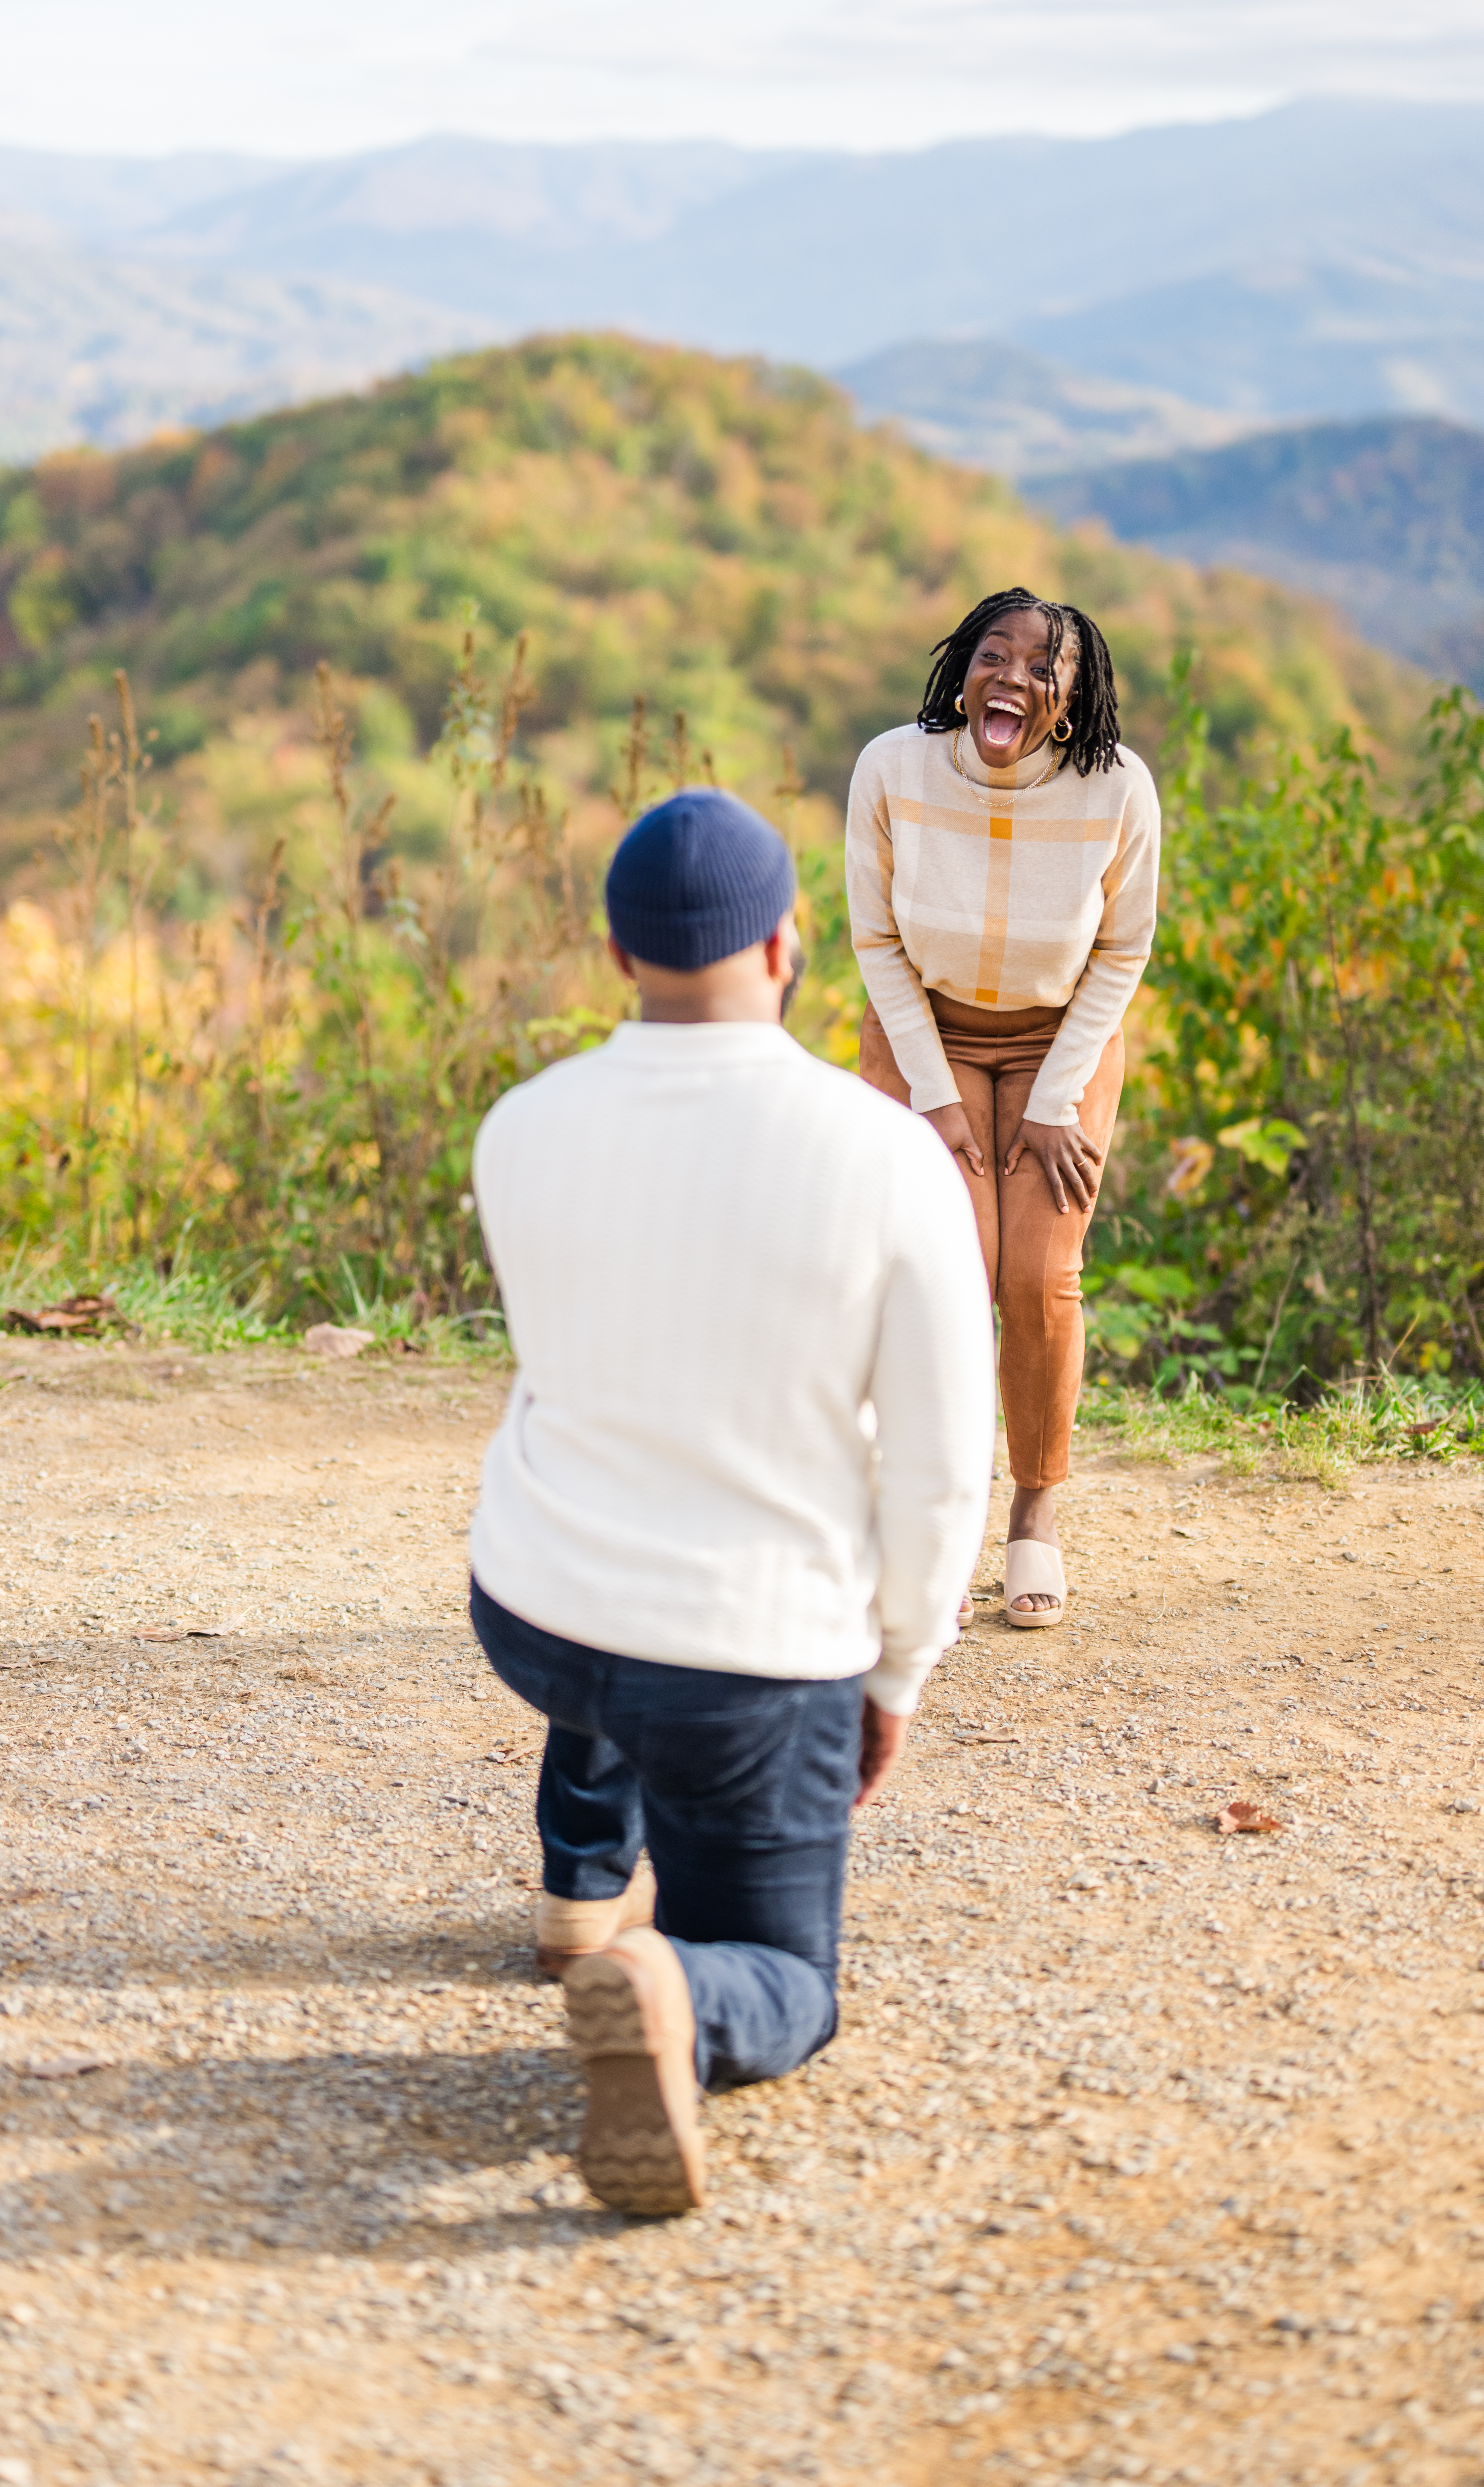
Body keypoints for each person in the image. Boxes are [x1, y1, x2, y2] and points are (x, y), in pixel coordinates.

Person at [467, 787, 995, 2216]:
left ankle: (583, 1882)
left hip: (536, 1612)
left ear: (618, 950)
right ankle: (674, 1992)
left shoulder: (522, 1125)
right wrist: (894, 1674)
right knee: (786, 1979)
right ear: (785, 948)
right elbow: (943, 1463)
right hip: (741, 1657)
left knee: (623, 1619)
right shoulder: (885, 1156)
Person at [845, 587, 1161, 1630]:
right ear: (962, 671)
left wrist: (1059, 1100)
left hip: (1055, 1043)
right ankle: (921, 1513)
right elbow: (876, 943)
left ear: (1070, 701)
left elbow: (1122, 953)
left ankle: (1034, 1514)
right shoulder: (893, 767)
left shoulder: (1117, 790)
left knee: (1035, 1272)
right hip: (919, 1029)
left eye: (1041, 668)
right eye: (995, 656)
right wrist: (931, 1099)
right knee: (946, 1270)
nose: (1013, 678)